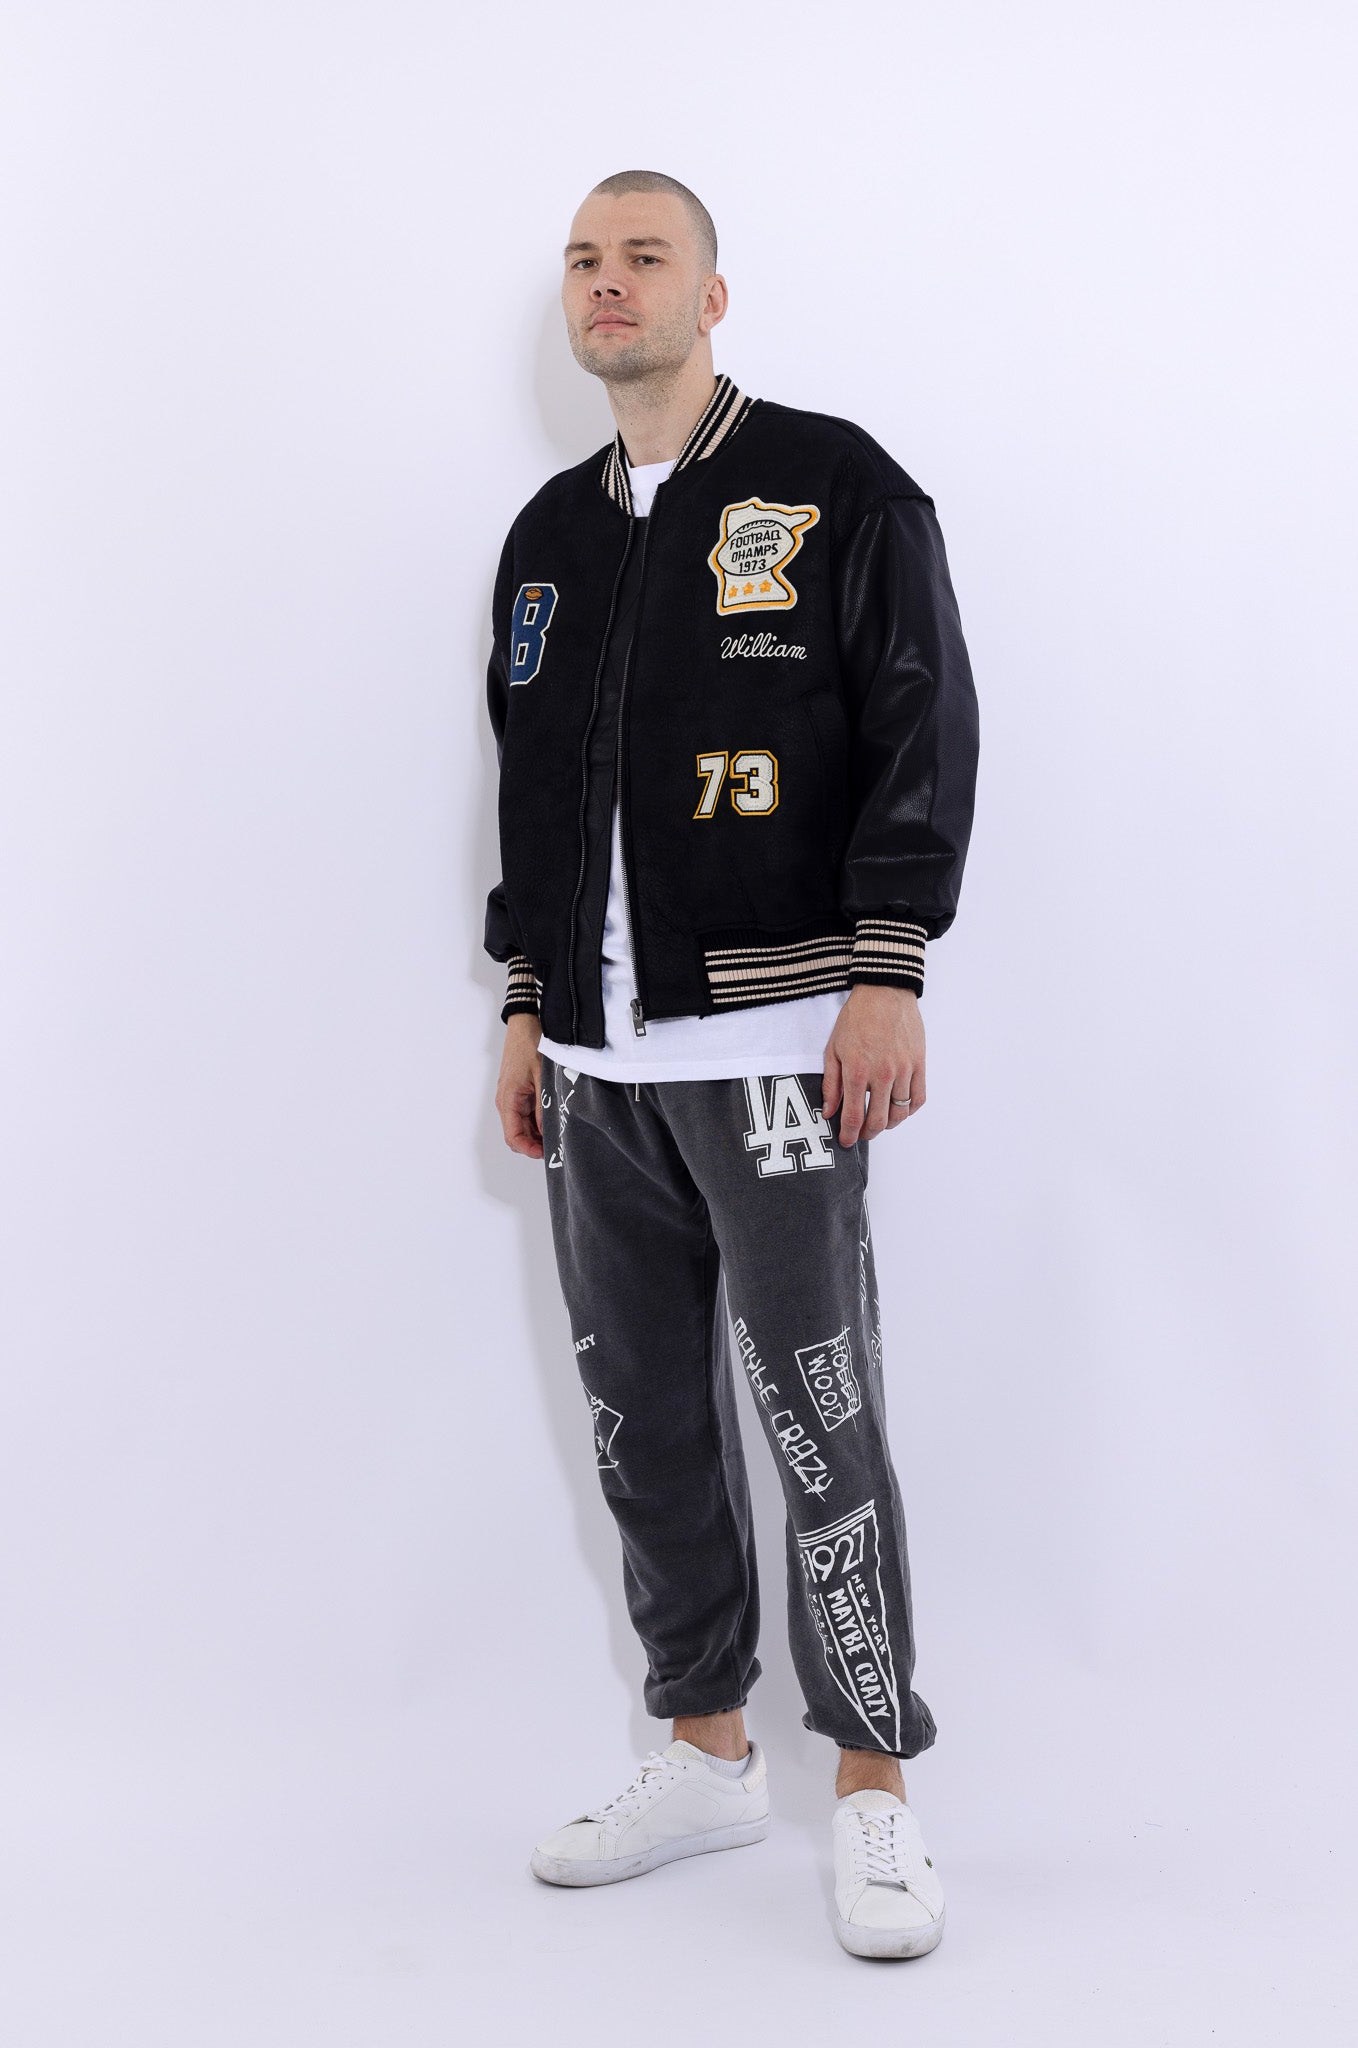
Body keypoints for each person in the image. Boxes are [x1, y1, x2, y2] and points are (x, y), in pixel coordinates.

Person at [483, 169, 979, 1959]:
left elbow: (921, 720)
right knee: (642, 1422)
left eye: (645, 257)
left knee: (814, 1412)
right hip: (594, 1059)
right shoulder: (548, 533)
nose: (606, 284)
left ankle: (871, 1782)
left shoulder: (832, 484)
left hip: (776, 1041)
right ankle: (702, 1752)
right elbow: (532, 783)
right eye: (583, 261)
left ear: (711, 294)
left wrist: (886, 968)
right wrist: (528, 998)